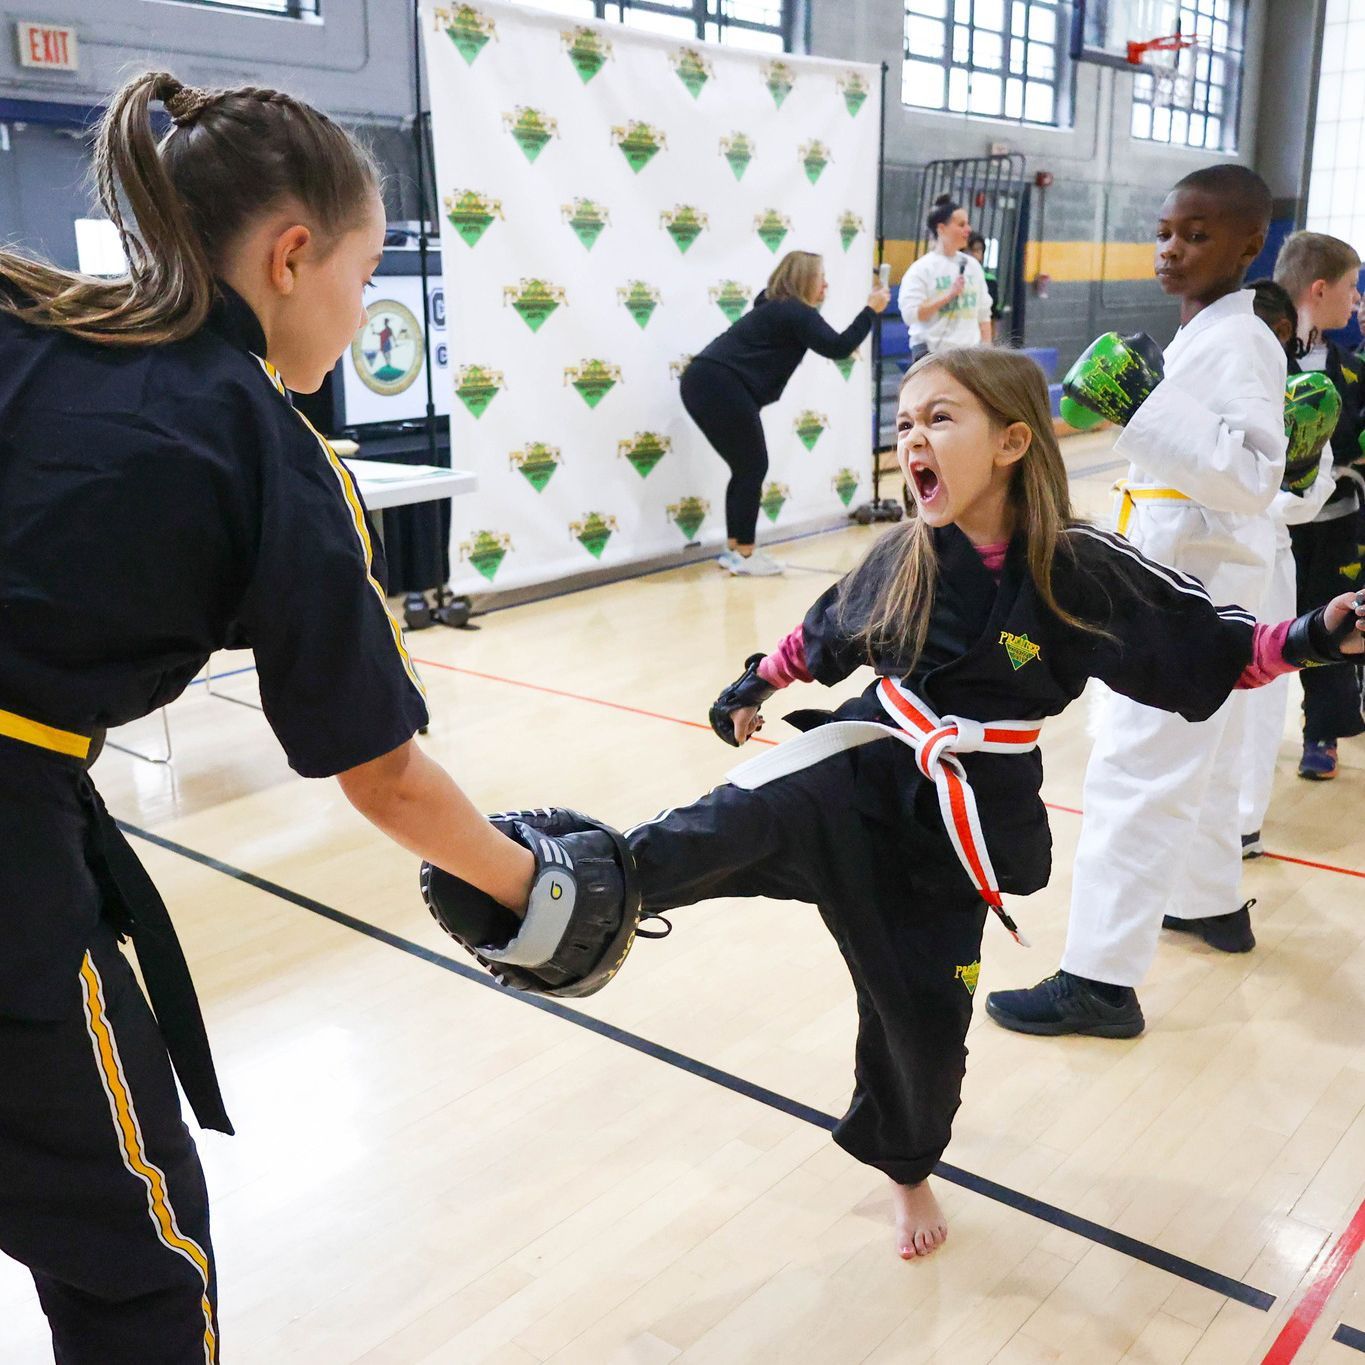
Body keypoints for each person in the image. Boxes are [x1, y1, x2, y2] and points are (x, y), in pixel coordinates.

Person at [418, 347, 1364, 1263]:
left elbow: (1213, 647)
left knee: (919, 1025)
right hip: (860, 763)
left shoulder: (1078, 566)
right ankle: (535, 890)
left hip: (960, 823)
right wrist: (753, 684)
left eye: (939, 417)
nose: (913, 435)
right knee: (721, 824)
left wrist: (1317, 634)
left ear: (1010, 442)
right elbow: (822, 633)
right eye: (905, 420)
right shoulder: (904, 552)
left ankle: (906, 1165)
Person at [0, 71, 534, 1362]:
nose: (356, 313)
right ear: (293, 256)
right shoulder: (264, 446)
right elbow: (384, 774)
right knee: (136, 1256)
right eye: (360, 277)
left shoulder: (24, 314)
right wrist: (536, 887)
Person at [986, 164, 1288, 1040]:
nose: (1171, 248)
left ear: (1247, 245)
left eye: (1197, 235)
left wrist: (1144, 404)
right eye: (1164, 231)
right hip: (1193, 568)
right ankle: (1206, 902)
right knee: (1202, 757)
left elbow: (1249, 477)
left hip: (1191, 575)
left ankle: (1098, 980)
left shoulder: (1240, 341)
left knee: (1134, 770)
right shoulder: (1215, 333)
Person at [680, 250, 889, 577]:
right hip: (719, 383)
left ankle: (736, 550)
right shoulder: (795, 311)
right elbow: (837, 346)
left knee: (745, 467)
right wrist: (870, 310)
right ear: (805, 279)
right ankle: (745, 555)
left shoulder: (775, 308)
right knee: (752, 465)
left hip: (702, 380)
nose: (826, 285)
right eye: (821, 277)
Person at [1239, 279, 1341, 856]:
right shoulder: (1191, 378)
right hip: (1182, 566)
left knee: (1257, 693)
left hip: (1260, 558)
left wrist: (1253, 496)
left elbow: (1307, 494)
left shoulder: (1301, 397)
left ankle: (1242, 824)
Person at [1272, 232, 1365, 780]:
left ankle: (1322, 732)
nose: (1356, 302)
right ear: (1321, 287)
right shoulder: (1262, 355)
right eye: (1352, 288)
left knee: (1333, 622)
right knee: (1258, 627)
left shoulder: (1353, 369)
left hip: (1335, 525)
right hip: (1267, 527)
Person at [900, 194, 993, 361]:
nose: (968, 230)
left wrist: (987, 353)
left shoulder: (972, 266)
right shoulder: (921, 269)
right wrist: (948, 296)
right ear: (941, 228)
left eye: (968, 224)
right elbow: (911, 315)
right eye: (961, 224)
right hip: (931, 355)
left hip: (969, 355)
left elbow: (984, 314)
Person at [967, 230, 1002, 341]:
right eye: (969, 250)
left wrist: (991, 340)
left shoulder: (989, 280)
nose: (973, 254)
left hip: (980, 339)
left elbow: (994, 314)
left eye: (977, 250)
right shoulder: (952, 278)